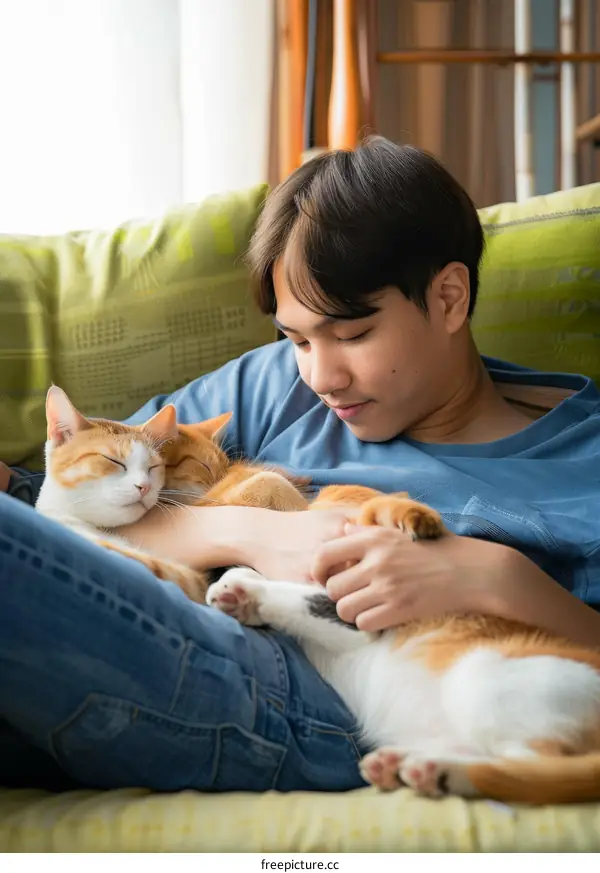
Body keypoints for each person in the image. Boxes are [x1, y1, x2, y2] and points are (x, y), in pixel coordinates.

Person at [1, 136, 599, 794]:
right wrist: (256, 532)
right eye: (297, 338)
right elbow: (75, 504)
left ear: (450, 298)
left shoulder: (583, 455)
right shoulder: (275, 386)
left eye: (352, 335)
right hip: (173, 625)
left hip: (329, 709)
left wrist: (500, 575)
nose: (322, 375)